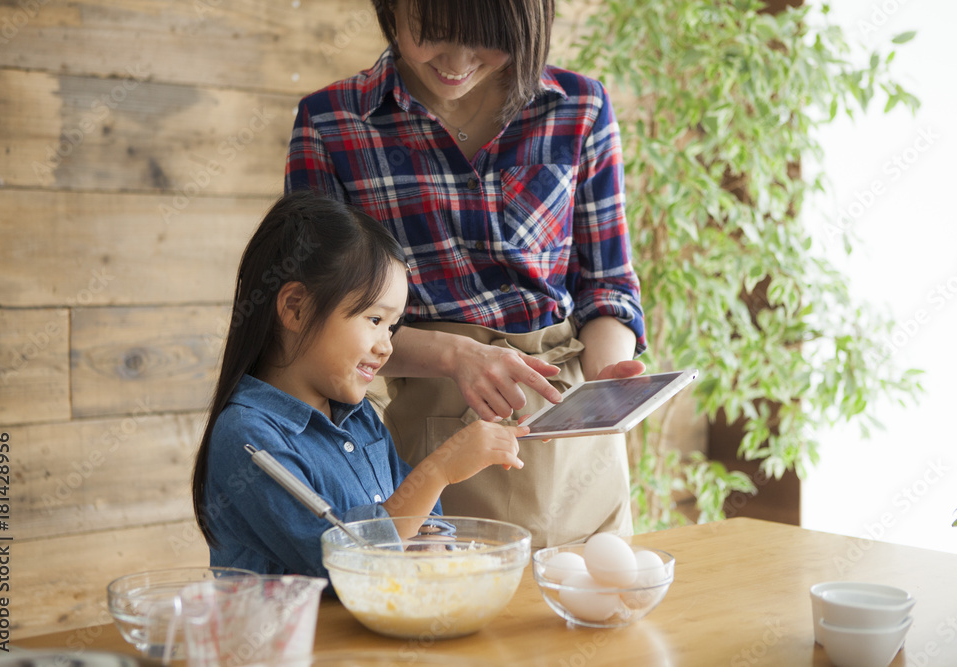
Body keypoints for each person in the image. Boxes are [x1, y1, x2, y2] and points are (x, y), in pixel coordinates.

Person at [285, 0, 646, 546]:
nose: (456, 61)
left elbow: (607, 285)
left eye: (484, 39)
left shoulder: (578, 108)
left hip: (568, 418)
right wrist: (458, 356)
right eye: (432, 33)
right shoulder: (333, 123)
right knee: (451, 604)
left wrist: (608, 377)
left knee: (592, 603)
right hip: (426, 419)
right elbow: (322, 321)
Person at [191, 190, 527, 578]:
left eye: (393, 325)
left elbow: (419, 512)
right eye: (374, 320)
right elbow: (343, 562)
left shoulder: (358, 416)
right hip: (297, 637)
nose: (387, 347)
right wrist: (440, 469)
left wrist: (433, 544)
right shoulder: (248, 436)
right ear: (295, 308)